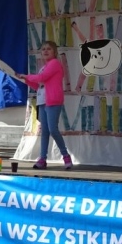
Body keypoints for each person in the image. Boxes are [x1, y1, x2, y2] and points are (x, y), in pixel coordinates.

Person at [16, 40, 73, 170]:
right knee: (45, 132)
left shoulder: (55, 63)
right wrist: (26, 79)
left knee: (53, 129)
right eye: (43, 49)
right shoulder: (44, 67)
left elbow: (41, 78)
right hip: (42, 102)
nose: (45, 51)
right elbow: (39, 86)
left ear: (54, 52)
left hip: (53, 101)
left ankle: (66, 156)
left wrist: (27, 76)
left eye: (49, 49)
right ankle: (42, 159)